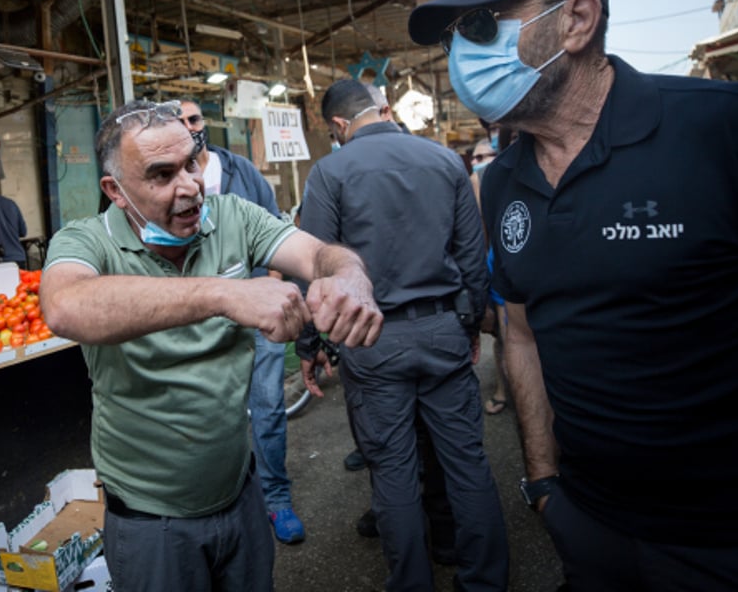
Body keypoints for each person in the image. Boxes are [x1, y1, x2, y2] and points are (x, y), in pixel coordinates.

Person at [408, 0, 738, 590]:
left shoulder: (733, 130)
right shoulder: (500, 181)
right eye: (454, 37)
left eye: (480, 24)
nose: (461, 54)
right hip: (589, 524)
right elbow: (522, 331)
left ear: (578, 21)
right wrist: (543, 481)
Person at [39, 99, 383, 592]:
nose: (189, 187)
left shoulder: (231, 216)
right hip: (151, 520)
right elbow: (65, 307)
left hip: (239, 495)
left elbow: (317, 252)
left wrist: (350, 275)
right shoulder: (88, 240)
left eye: (191, 162)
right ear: (116, 191)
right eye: (161, 175)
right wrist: (225, 294)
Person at [298, 78, 508, 592]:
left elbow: (315, 270)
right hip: (442, 330)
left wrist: (312, 345)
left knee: (392, 469)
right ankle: (484, 581)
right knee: (466, 462)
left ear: (339, 126)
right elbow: (471, 256)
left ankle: (412, 582)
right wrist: (470, 323)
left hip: (370, 339)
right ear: (382, 110)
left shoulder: (329, 172)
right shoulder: (443, 161)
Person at [177, 99, 305, 545]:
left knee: (267, 407)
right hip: (199, 317)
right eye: (178, 121)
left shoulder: (240, 171)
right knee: (209, 412)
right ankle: (217, 502)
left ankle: (276, 499)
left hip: (255, 312)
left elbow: (275, 229)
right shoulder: (171, 181)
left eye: (194, 119)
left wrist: (270, 285)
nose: (188, 127)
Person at [468, 140, 507, 417]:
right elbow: (478, 229)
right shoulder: (478, 179)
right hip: (497, 261)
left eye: (485, 155)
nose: (479, 160)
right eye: (475, 156)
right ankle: (503, 388)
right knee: (507, 334)